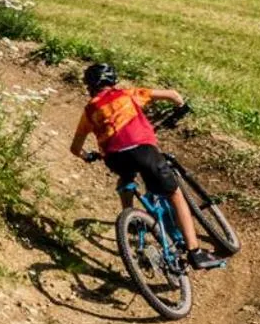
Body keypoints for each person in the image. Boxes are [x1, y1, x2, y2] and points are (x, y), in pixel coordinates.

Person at [69, 63, 225, 270]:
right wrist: (180, 107)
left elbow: (75, 147)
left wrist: (88, 156)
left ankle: (130, 216)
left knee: (126, 177)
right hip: (142, 150)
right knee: (174, 194)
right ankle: (195, 252)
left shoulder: (89, 110)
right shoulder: (128, 94)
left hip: (114, 158)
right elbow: (173, 94)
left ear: (89, 86)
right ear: (113, 80)